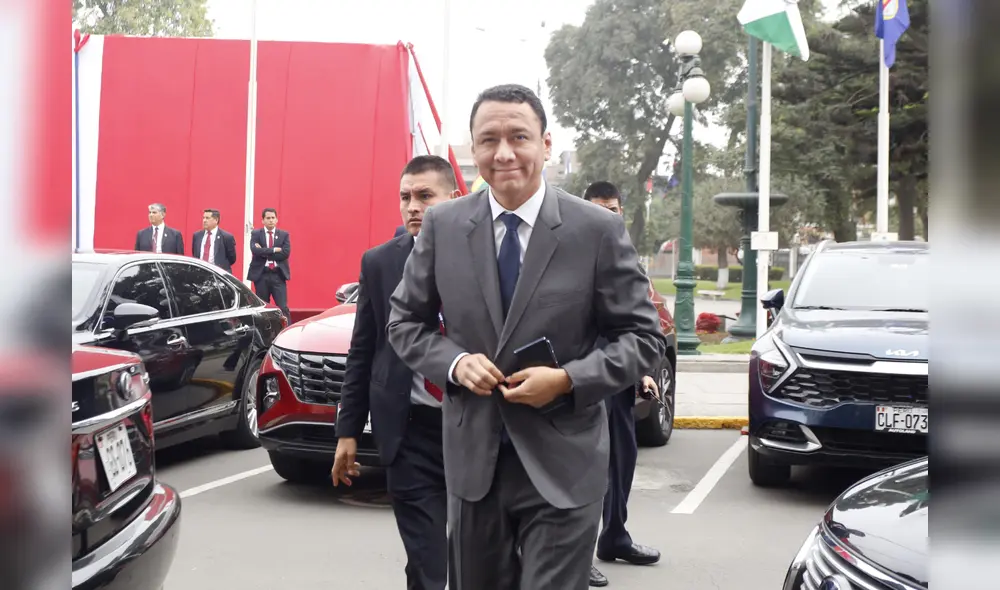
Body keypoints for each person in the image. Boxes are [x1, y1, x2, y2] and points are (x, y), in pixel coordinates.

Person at [386, 84, 666, 590]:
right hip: (475, 463)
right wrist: (453, 363)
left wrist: (566, 380)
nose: (504, 153)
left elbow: (643, 339)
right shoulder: (444, 226)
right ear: (473, 150)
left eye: (520, 136)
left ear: (546, 143)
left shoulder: (596, 230)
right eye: (489, 139)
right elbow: (404, 322)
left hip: (565, 465)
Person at [332, 155, 461, 590]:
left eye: (425, 196)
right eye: (405, 197)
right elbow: (362, 349)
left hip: (473, 427)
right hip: (407, 432)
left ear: (454, 199)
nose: (412, 206)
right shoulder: (379, 262)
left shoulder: (482, 258)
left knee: (471, 556)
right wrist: (347, 431)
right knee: (428, 559)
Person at [582, 181, 662, 588]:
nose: (608, 216)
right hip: (578, 381)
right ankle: (577, 555)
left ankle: (614, 536)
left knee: (622, 462)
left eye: (613, 209)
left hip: (618, 380)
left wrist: (642, 372)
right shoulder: (571, 258)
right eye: (599, 209)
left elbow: (635, 327)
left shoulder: (627, 261)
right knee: (587, 470)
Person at [248, 208, 291, 320]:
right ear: (263, 220)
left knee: (283, 307)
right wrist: (273, 250)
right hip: (261, 275)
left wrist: (264, 250)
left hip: (278, 275)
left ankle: (287, 331)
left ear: (276, 220)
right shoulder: (256, 234)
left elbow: (285, 253)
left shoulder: (284, 235)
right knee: (262, 308)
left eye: (273, 218)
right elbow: (255, 251)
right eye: (268, 218)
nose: (271, 220)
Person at [192, 209, 237, 274]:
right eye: (203, 218)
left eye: (207, 218)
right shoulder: (197, 236)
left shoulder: (226, 237)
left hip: (218, 275)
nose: (204, 220)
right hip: (200, 274)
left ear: (216, 220)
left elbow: (232, 259)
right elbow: (195, 254)